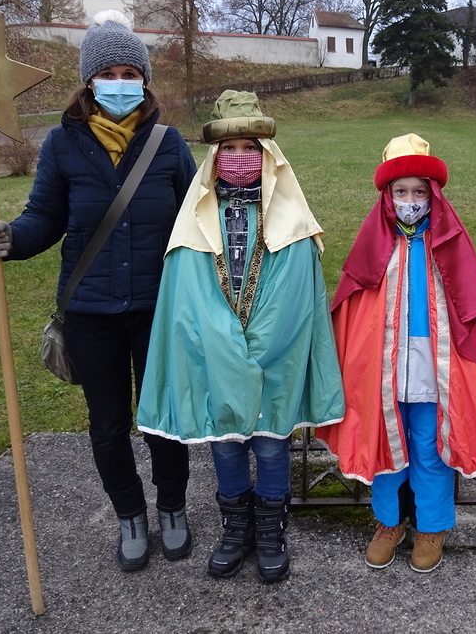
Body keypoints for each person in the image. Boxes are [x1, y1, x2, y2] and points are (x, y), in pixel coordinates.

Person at [0, 10, 197, 572]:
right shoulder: (61, 144)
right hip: (90, 312)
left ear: (143, 80)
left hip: (158, 307)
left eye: (130, 73)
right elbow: (44, 217)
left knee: (163, 418)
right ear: (89, 82)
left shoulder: (168, 144)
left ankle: (172, 507)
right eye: (108, 73)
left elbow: (198, 221)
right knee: (108, 424)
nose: (120, 83)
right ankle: (130, 515)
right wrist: (9, 239)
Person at [137, 90, 344, 583]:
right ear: (213, 157)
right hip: (215, 358)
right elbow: (187, 297)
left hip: (274, 358)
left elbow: (294, 299)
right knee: (226, 443)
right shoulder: (196, 220)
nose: (238, 157)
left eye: (250, 147)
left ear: (267, 155)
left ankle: (270, 529)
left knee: (271, 445)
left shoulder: (290, 222)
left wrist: (257, 351)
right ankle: (236, 528)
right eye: (228, 149)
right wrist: (222, 347)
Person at [316, 134, 476, 574]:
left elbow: (470, 306)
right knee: (385, 445)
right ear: (387, 195)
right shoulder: (374, 245)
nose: (410, 201)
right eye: (401, 191)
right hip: (384, 367)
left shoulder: (448, 244)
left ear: (434, 196)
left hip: (437, 365)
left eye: (419, 192)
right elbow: (352, 307)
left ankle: (432, 526)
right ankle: (388, 523)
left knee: (430, 448)